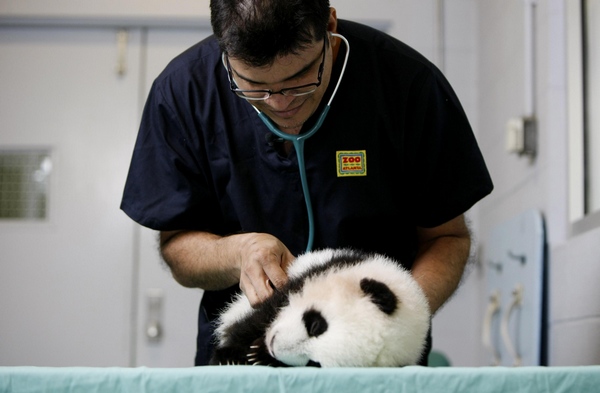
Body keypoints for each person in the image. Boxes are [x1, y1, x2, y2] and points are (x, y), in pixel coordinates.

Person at [121, 0, 493, 366]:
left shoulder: (407, 85)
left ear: (330, 27)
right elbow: (178, 245)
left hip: (374, 362)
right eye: (253, 87)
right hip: (248, 359)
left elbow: (447, 237)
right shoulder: (183, 93)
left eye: (298, 80)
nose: (280, 103)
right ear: (224, 48)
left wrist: (395, 318)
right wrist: (239, 252)